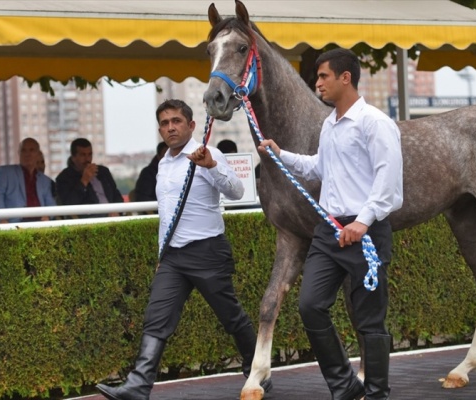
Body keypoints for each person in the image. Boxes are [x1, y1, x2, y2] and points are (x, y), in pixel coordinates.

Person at [96, 99, 271, 400]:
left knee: (231, 317)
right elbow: (167, 214)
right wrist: (161, 256)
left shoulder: (208, 154)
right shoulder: (163, 163)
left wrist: (211, 166)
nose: (170, 127)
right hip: (173, 257)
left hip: (207, 251)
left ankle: (258, 372)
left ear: (191, 126)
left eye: (176, 121)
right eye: (164, 123)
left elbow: (237, 191)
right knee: (156, 317)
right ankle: (138, 387)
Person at [257, 48, 403, 400]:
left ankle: (378, 393)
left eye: (323, 76)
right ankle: (345, 386)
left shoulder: (375, 123)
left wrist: (363, 223)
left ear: (345, 78)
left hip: (364, 232)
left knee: (369, 321)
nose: (317, 83)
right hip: (328, 230)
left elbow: (390, 185)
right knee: (310, 305)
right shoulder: (330, 124)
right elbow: (319, 168)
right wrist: (281, 155)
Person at [56, 138, 124, 218]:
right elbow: (69, 204)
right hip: (90, 221)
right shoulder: (64, 178)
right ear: (73, 157)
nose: (87, 159)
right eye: (83, 155)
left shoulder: (103, 171)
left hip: (113, 216)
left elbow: (116, 195)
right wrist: (84, 181)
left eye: (90, 154)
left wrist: (117, 211)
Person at [0, 138, 56, 223]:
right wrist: (1, 219)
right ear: (19, 153)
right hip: (13, 224)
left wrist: (47, 215)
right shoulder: (5, 173)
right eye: (23, 150)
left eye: (31, 150)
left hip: (39, 223)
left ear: (38, 154)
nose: (27, 154)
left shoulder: (45, 180)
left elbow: (51, 204)